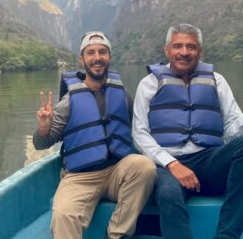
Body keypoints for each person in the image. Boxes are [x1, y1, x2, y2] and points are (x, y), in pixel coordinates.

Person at [132, 23, 243, 239]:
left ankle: (226, 235)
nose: (184, 53)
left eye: (191, 47)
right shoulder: (148, 84)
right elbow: (139, 134)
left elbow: (233, 133)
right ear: (167, 50)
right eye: (178, 46)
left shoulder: (217, 81)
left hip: (210, 161)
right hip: (167, 165)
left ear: (200, 51)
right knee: (168, 193)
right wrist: (173, 164)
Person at [34, 31, 156, 239]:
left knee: (144, 167)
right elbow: (40, 143)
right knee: (63, 215)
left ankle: (117, 234)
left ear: (109, 57)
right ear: (82, 60)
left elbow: (140, 129)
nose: (97, 57)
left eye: (102, 52)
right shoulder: (69, 101)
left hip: (117, 171)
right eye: (90, 53)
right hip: (80, 177)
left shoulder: (123, 94)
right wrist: (45, 128)